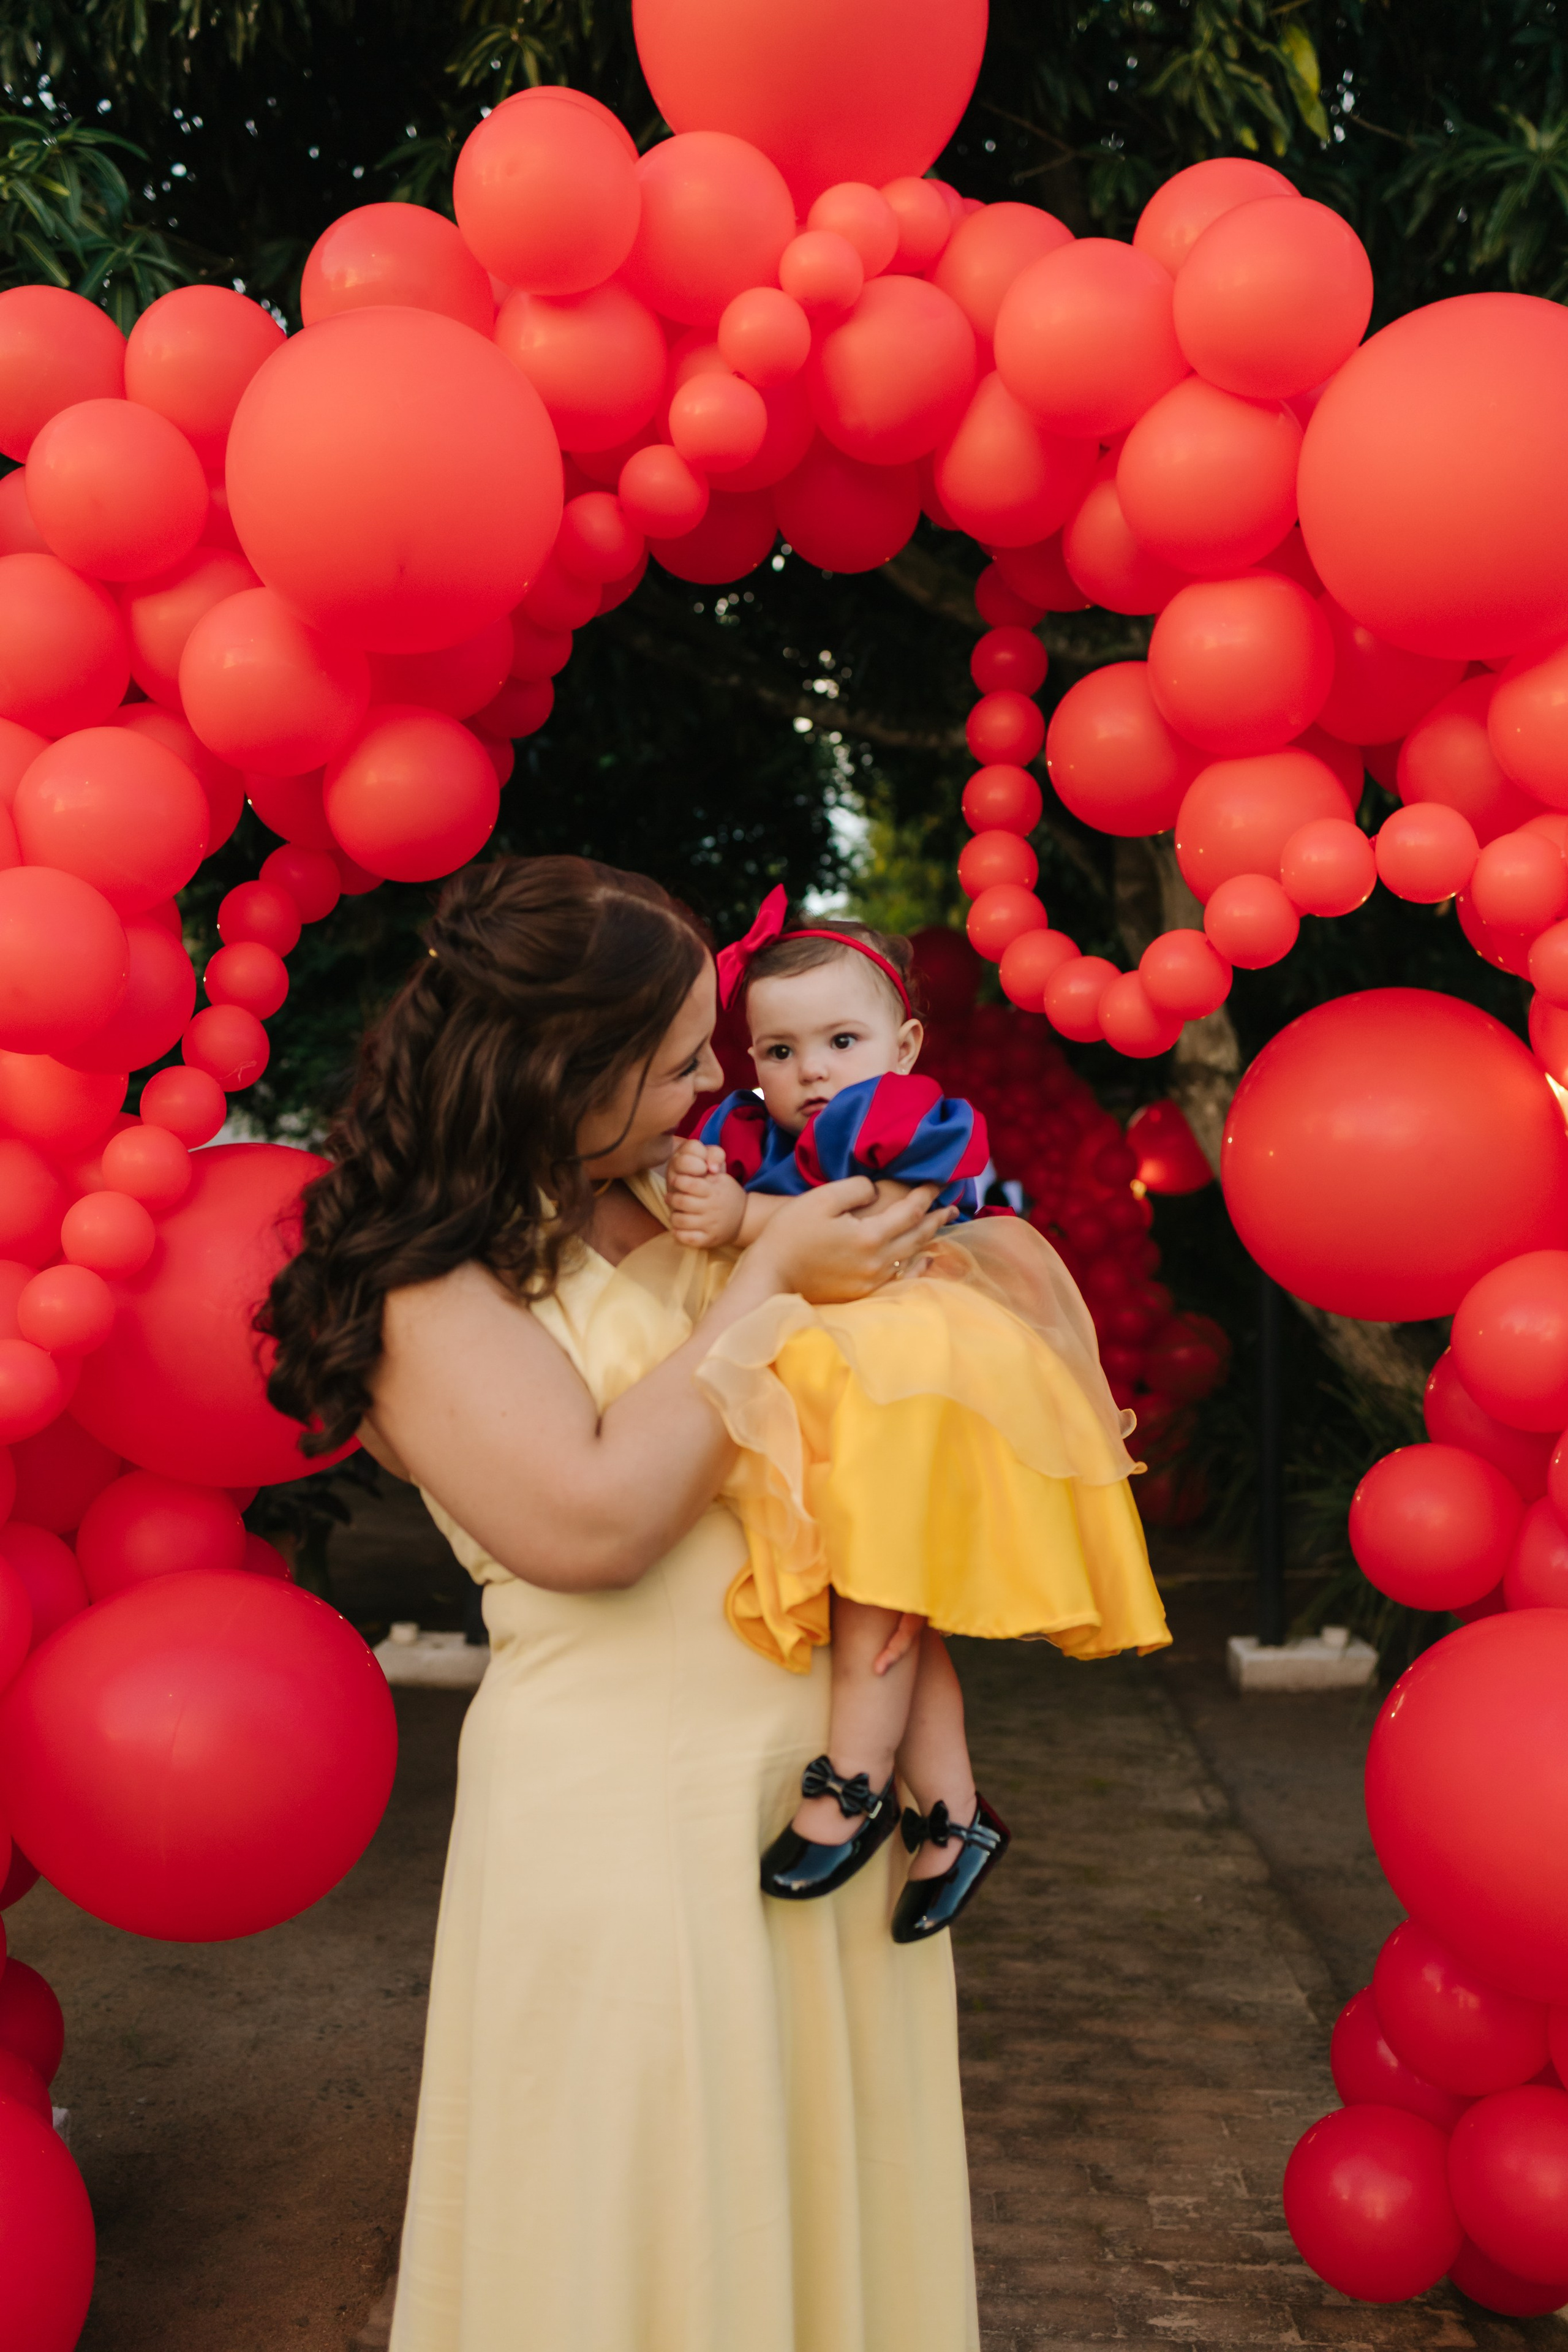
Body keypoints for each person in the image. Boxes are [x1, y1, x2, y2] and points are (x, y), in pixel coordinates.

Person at [262, 855, 981, 2352]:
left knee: (810, 2212)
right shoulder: (422, 1281)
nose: (703, 1089)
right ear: (552, 1070)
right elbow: (590, 1522)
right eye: (669, 1066)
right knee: (640, 2229)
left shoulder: (694, 1192)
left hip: (809, 1810)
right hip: (621, 1819)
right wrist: (776, 1269)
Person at [665, 890, 1169, 1945]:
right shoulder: (756, 1125)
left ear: (903, 1045)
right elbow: (716, 1189)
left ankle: (853, 1780)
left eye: (841, 1041)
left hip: (924, 1364)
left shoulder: (898, 1117)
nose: (812, 1071)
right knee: (887, 1590)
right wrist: (697, 1173)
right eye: (780, 1049)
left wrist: (742, 1219)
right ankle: (953, 1814)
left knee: (878, 1589)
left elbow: (871, 1219)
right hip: (853, 1372)